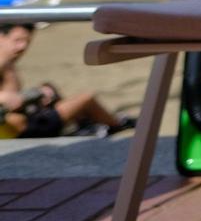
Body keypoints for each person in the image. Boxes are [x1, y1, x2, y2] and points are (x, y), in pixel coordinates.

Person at [0, 23, 130, 139]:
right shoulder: (2, 62)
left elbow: (14, 99)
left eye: (27, 41)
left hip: (25, 121)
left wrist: (35, 94)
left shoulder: (8, 62)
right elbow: (10, 99)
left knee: (49, 88)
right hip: (24, 130)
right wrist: (5, 97)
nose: (23, 46)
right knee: (86, 98)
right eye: (17, 40)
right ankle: (116, 125)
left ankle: (86, 125)